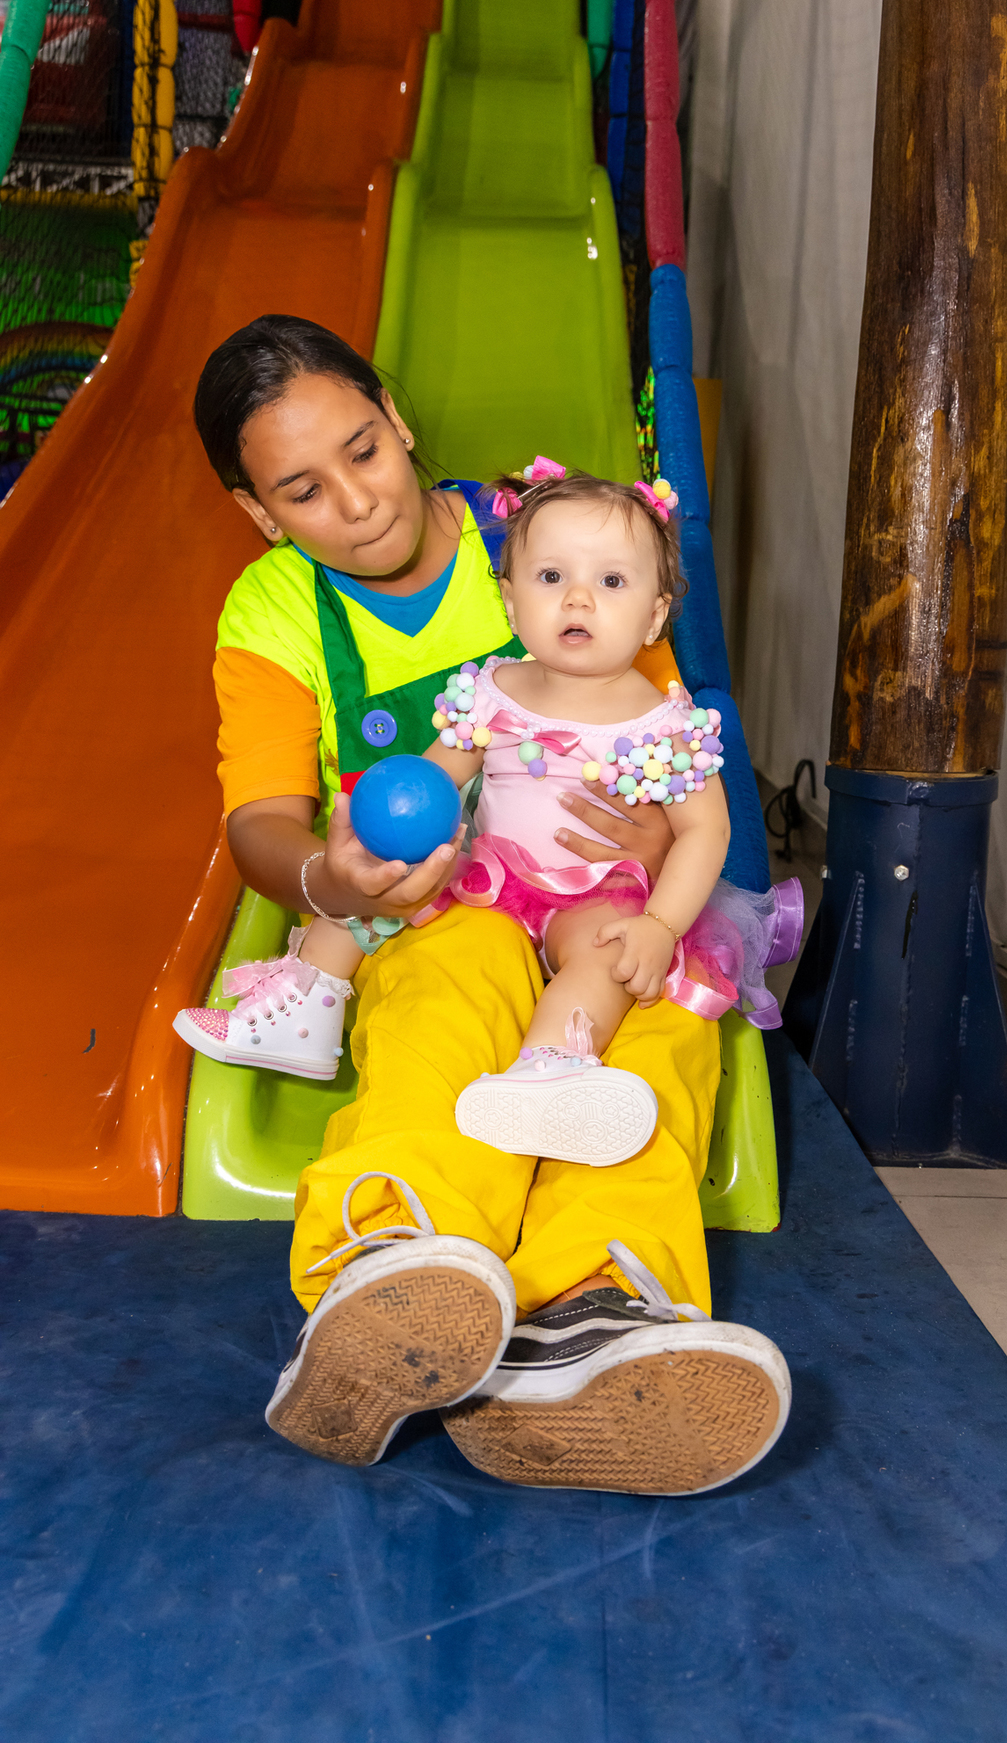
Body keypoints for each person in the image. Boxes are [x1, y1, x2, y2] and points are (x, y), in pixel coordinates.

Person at [179, 313, 792, 1496]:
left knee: (653, 1020)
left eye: (364, 450)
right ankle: (395, 1253)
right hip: (448, 896)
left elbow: (653, 725)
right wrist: (332, 879)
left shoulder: (551, 536)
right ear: (261, 514)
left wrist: (657, 854)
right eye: (303, 492)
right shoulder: (271, 614)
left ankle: (600, 1306)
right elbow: (259, 820)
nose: (356, 501)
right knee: (445, 990)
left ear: (397, 422)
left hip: (611, 896)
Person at [184, 459, 799, 1172]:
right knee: (387, 877)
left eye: (611, 581)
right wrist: (393, 829)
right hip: (493, 881)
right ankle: (309, 1006)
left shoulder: (667, 724)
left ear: (656, 614)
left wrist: (660, 926)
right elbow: (432, 784)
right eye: (551, 577)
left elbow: (705, 831)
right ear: (510, 601)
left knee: (607, 956)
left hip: (598, 892)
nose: (578, 598)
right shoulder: (490, 691)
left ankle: (550, 1069)